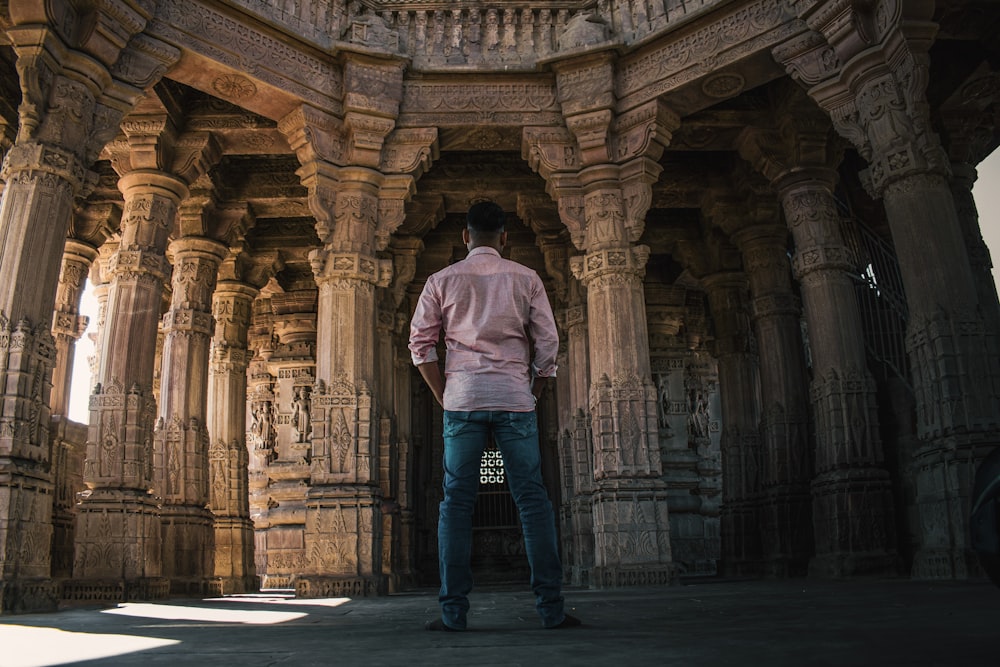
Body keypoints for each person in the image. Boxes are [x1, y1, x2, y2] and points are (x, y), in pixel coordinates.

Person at [409, 201, 581, 631]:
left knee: (456, 505)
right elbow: (547, 344)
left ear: (465, 237)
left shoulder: (441, 280)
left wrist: (444, 395)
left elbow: (421, 346)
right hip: (514, 400)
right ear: (505, 238)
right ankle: (551, 609)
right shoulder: (526, 278)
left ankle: (453, 614)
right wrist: (533, 390)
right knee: (532, 502)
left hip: (462, 400)